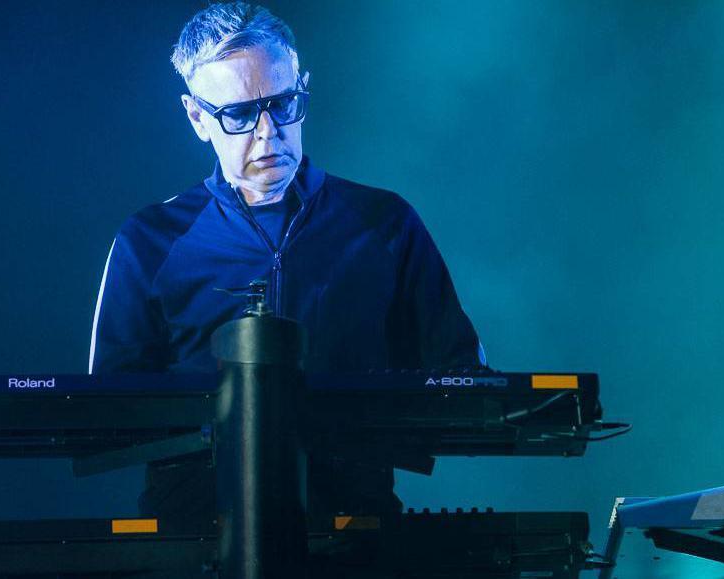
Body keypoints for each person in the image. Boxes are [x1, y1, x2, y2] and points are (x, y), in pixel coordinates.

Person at [88, 1, 485, 525]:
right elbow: (110, 408)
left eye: (282, 104)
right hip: (195, 538)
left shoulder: (385, 223)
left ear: (302, 88)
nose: (268, 131)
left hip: (353, 533)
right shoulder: (150, 241)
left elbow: (461, 377)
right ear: (197, 117)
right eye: (238, 114)